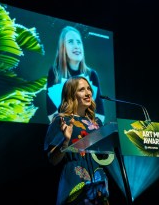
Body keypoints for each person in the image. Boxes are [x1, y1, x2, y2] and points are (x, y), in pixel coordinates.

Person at [44, 76, 110, 205]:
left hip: (99, 180)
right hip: (75, 179)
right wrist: (66, 140)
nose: (88, 93)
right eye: (81, 90)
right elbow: (53, 159)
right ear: (71, 95)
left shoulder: (97, 123)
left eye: (89, 89)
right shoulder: (61, 120)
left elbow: (105, 158)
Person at [46, 26, 105, 123]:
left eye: (78, 42)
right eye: (70, 42)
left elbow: (100, 114)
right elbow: (51, 113)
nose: (76, 46)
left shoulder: (92, 74)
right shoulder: (55, 72)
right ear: (62, 48)